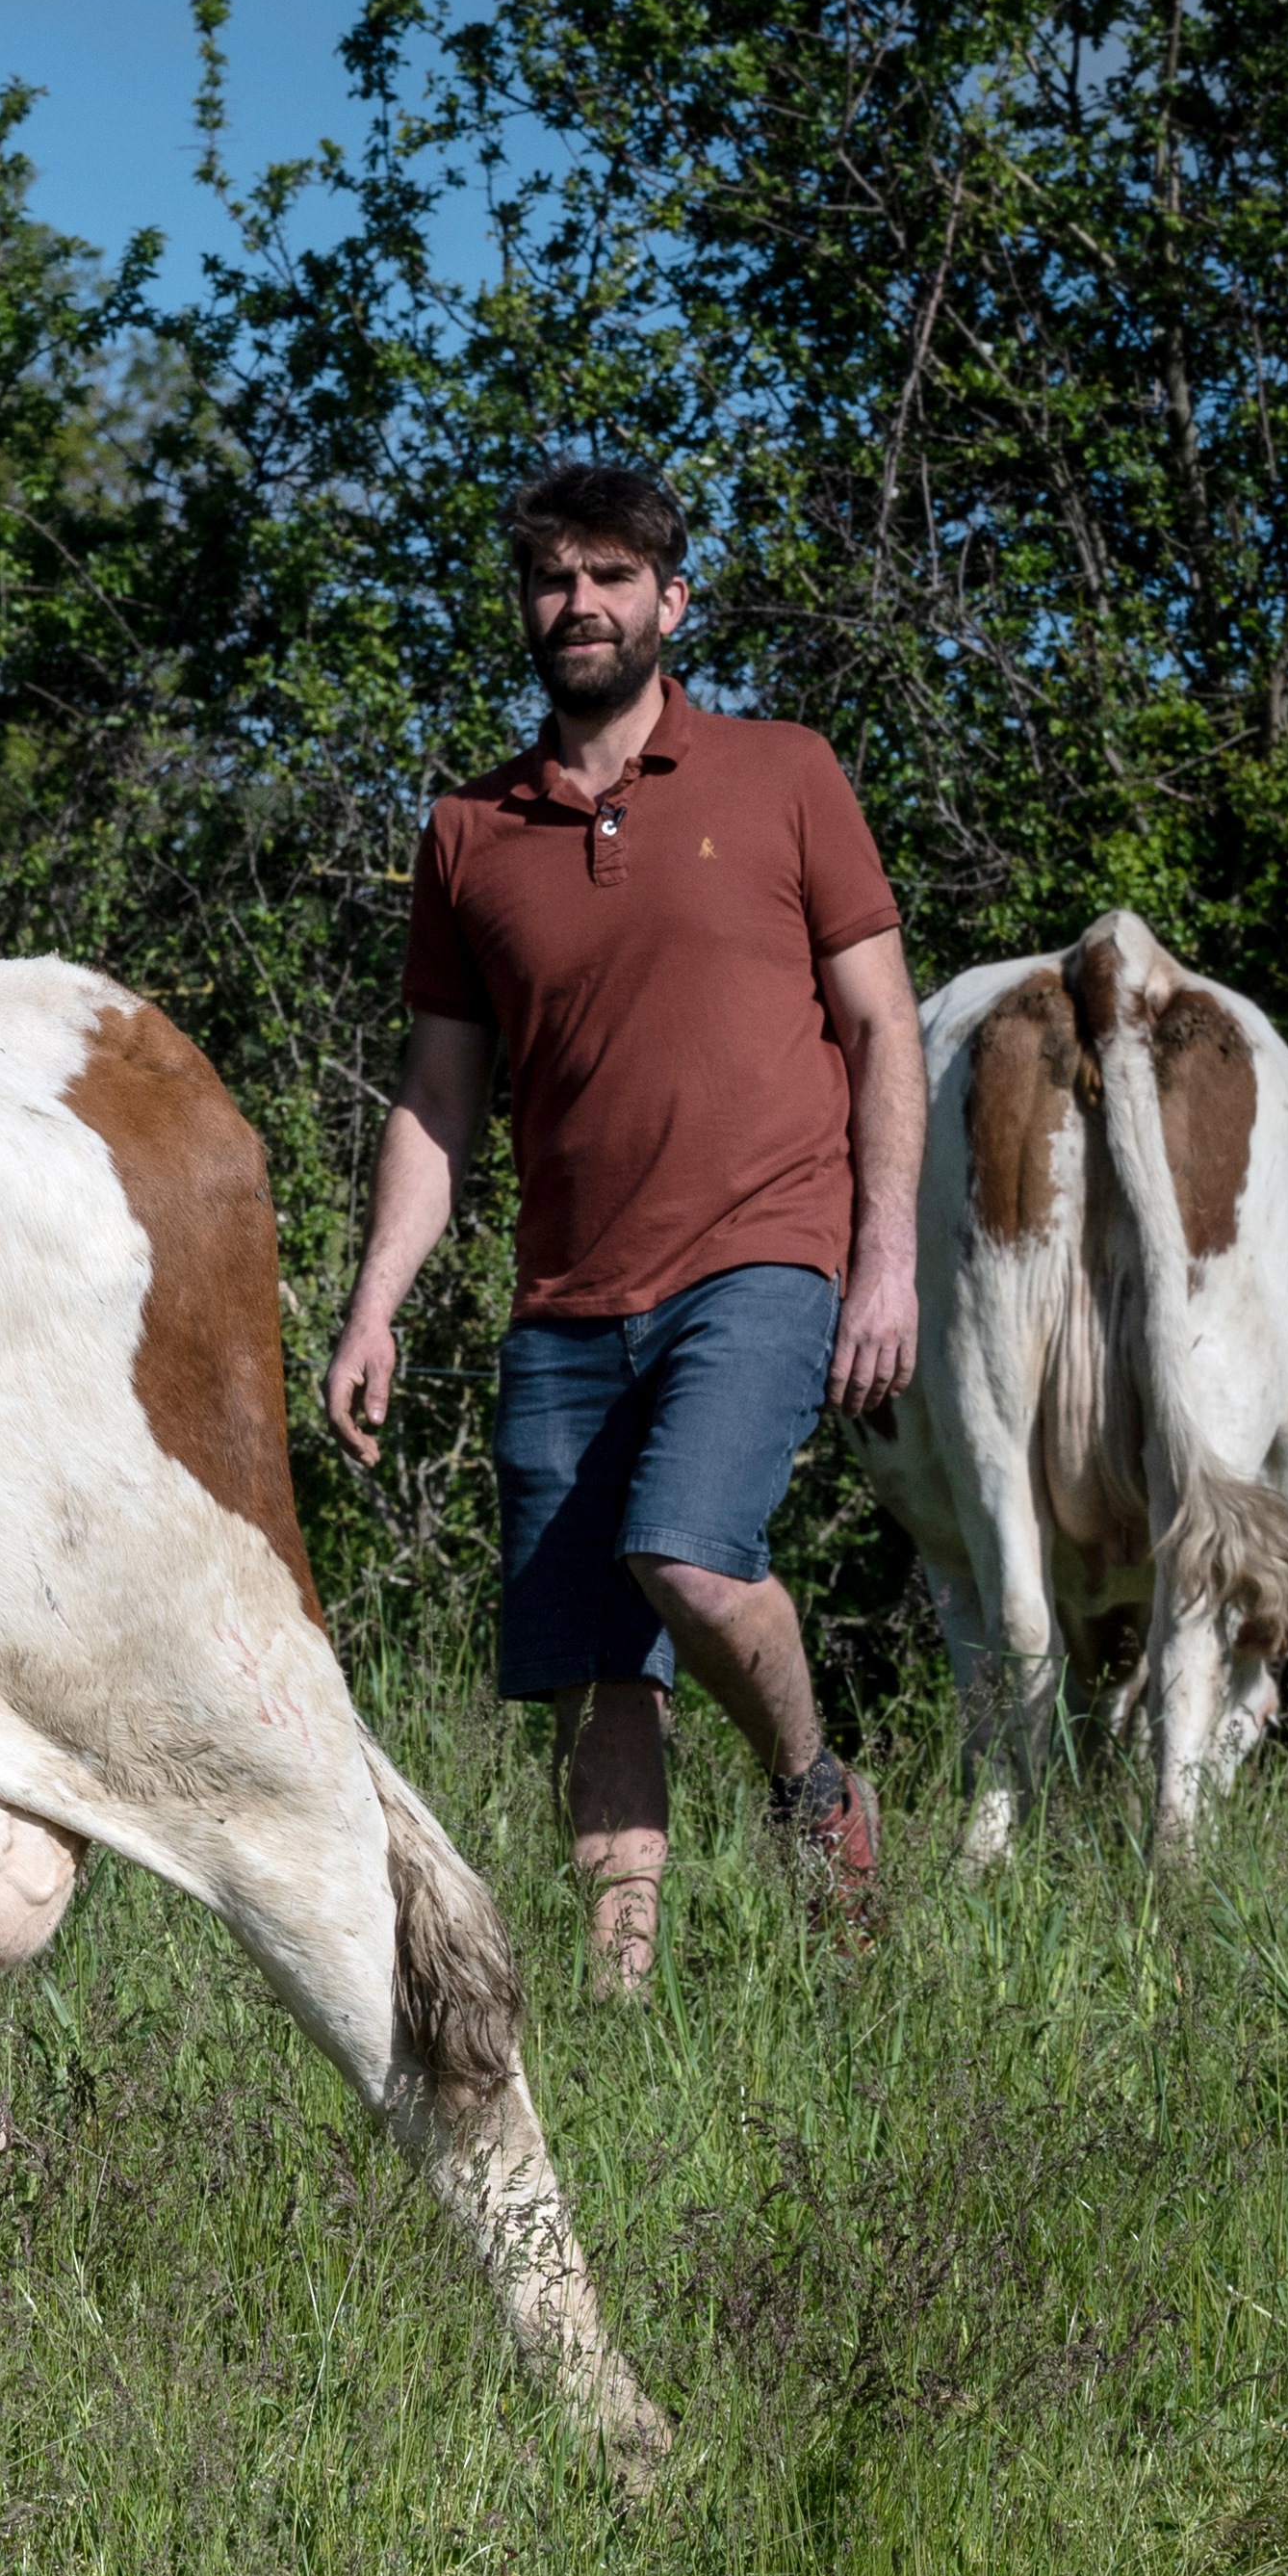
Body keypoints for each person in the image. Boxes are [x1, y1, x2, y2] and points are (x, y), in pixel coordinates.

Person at [321, 462, 924, 1995]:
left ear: (672, 601)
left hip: (764, 1254)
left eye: (609, 578)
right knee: (597, 1669)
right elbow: (440, 1098)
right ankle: (617, 1989)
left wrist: (888, 1262)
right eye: (550, 581)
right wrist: (375, 1304)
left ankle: (813, 1796)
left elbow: (883, 1029)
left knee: (688, 1552)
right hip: (566, 1302)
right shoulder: (470, 830)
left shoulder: (784, 772)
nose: (577, 605)